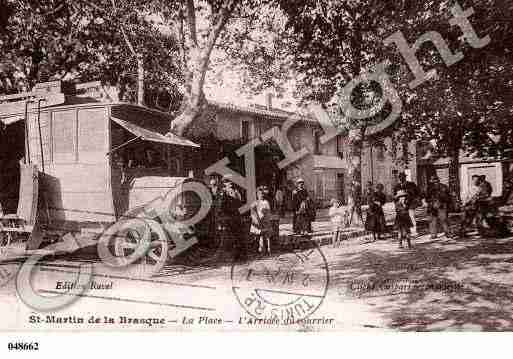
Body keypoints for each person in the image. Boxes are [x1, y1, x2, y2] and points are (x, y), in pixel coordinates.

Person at [218, 175, 245, 261]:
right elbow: (221, 206)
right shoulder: (223, 192)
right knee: (230, 236)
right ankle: (231, 255)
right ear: (224, 183)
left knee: (238, 235)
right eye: (228, 181)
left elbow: (241, 203)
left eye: (231, 181)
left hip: (236, 216)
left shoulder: (237, 191)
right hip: (228, 216)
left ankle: (239, 255)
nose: (230, 183)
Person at [393, 172, 420, 237]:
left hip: (410, 203)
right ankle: (404, 232)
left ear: (405, 177)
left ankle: (413, 232)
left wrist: (411, 196)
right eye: (400, 177)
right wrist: (396, 199)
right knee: (402, 218)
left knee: (411, 217)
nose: (401, 178)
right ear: (399, 178)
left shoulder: (411, 184)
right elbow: (394, 196)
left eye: (403, 177)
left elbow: (417, 193)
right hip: (401, 205)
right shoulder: (397, 186)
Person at [250, 186, 272, 256]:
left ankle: (267, 249)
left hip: (264, 221)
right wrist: (255, 218)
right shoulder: (255, 202)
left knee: (266, 236)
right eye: (259, 194)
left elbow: (268, 212)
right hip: (257, 221)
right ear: (257, 195)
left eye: (262, 194)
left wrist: (265, 218)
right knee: (257, 235)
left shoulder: (265, 202)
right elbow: (252, 211)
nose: (261, 195)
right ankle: (258, 249)